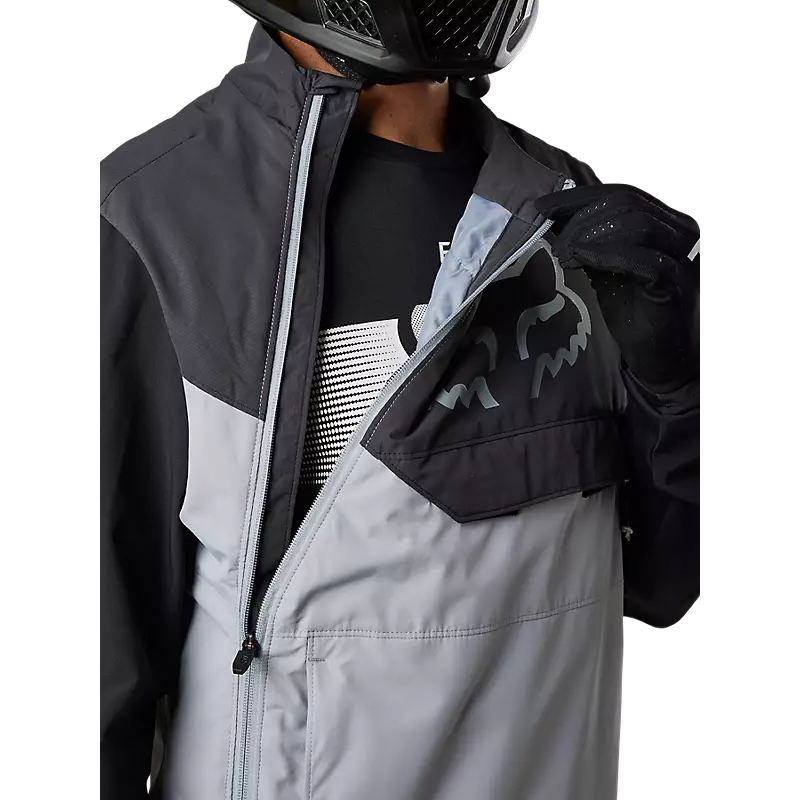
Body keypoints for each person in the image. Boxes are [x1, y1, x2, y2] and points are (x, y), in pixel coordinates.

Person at [100, 2, 699, 798]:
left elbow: (659, 584)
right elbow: (99, 671)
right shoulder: (163, 219)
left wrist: (679, 393)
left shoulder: (563, 207)